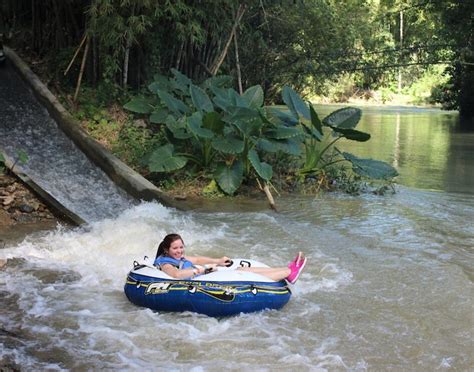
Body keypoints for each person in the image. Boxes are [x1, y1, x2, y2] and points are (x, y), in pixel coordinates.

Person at [154, 233, 307, 284]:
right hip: (204, 281)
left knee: (241, 269)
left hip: (207, 274)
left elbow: (197, 259)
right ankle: (289, 273)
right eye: (175, 248)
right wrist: (204, 269)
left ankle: (286, 269)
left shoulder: (180, 257)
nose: (179, 251)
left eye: (181, 247)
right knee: (244, 275)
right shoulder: (165, 262)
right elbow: (175, 275)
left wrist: (217, 261)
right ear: (167, 250)